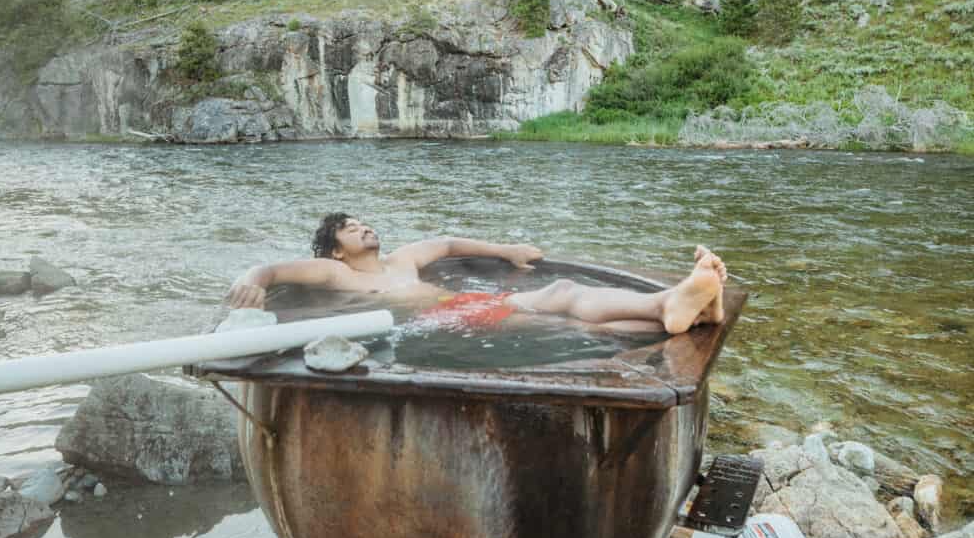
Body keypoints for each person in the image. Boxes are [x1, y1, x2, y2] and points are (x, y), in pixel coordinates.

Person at [226, 213, 727, 336]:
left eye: (364, 222)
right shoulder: (338, 277)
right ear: (336, 252)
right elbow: (271, 268)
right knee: (563, 293)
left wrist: (507, 249)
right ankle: (669, 303)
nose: (364, 228)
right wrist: (252, 280)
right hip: (444, 319)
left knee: (575, 320)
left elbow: (447, 243)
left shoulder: (402, 259)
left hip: (461, 310)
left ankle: (684, 311)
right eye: (351, 230)